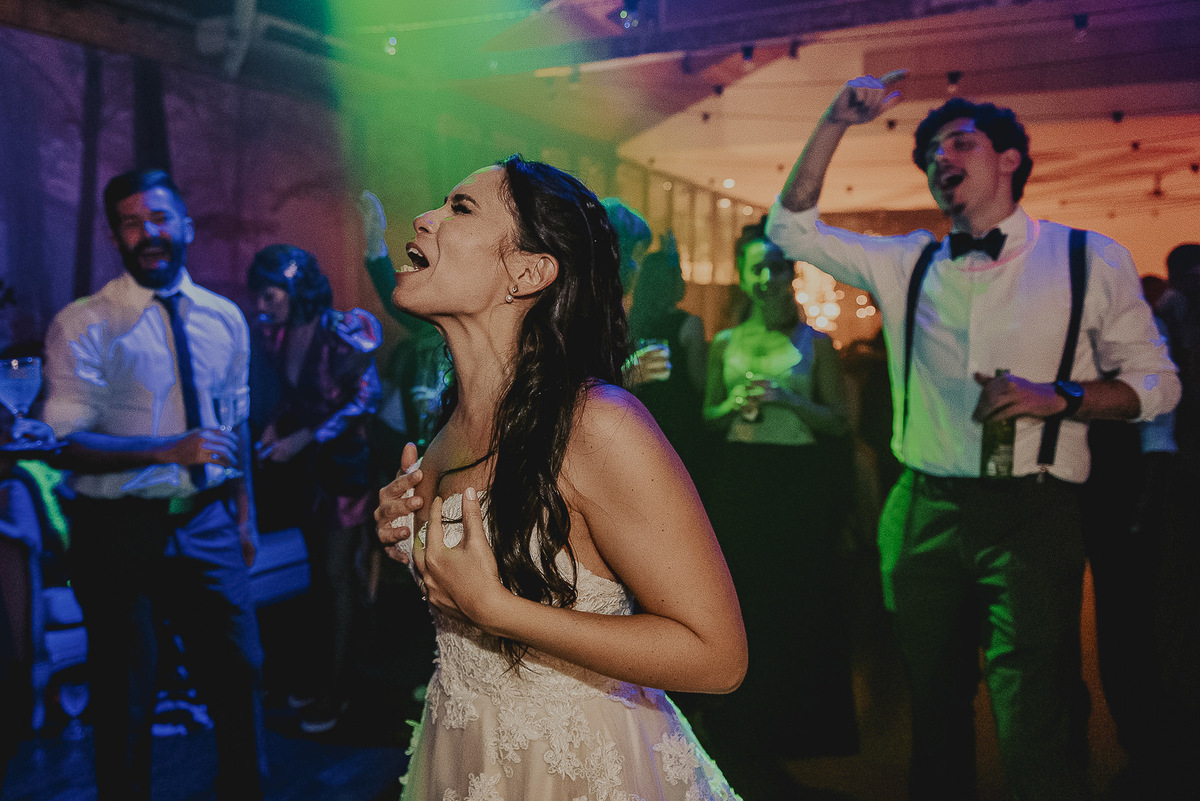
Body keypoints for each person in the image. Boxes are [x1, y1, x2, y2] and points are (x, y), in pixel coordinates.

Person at [766, 72, 1180, 800]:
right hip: (921, 508)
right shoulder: (906, 264)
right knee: (933, 706)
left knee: (1033, 712)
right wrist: (834, 118)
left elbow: (1159, 385)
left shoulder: (1089, 258)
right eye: (929, 151)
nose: (938, 157)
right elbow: (789, 229)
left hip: (1033, 513)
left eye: (959, 141)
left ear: (1011, 158)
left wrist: (1062, 397)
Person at [374, 155, 746, 800]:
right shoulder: (445, 428)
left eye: (460, 208)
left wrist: (501, 611)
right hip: (462, 752)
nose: (423, 217)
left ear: (528, 271)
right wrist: (407, 536)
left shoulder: (598, 424)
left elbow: (716, 655)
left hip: (581, 766)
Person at [41, 168, 264, 800]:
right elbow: (62, 445)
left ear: (186, 226)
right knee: (126, 695)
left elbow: (236, 428)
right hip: (117, 530)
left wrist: (246, 519)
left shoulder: (226, 320)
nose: (150, 233)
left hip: (208, 520)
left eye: (161, 218)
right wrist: (168, 447)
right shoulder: (84, 324)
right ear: (116, 235)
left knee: (240, 673)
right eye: (133, 222)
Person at [697, 223, 856, 794]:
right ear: (744, 273)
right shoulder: (723, 343)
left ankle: (794, 737)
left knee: (797, 607)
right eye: (758, 267)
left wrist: (791, 399)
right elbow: (708, 417)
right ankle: (741, 736)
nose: (769, 277)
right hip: (742, 482)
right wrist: (731, 405)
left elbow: (841, 421)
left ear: (793, 274)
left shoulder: (816, 344)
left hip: (797, 483)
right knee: (744, 608)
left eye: (779, 267)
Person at [246, 244, 382, 733]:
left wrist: (304, 436)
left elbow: (366, 399)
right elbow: (292, 395)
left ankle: (341, 689)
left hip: (347, 471)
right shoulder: (278, 334)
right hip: (308, 476)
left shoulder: (344, 331)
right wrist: (275, 427)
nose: (262, 306)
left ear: (294, 286)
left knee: (336, 573)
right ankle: (323, 675)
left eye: (269, 295)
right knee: (321, 580)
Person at [626, 238, 707, 473]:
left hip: (638, 420)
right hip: (678, 425)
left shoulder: (630, 321)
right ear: (670, 281)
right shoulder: (689, 324)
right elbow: (699, 382)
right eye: (679, 273)